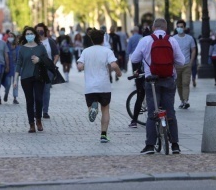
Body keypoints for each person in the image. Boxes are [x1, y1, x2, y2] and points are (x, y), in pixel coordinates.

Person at [131, 18, 185, 154]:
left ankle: (149, 146)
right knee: (170, 111)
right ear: (166, 28)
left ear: (153, 27)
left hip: (151, 81)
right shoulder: (172, 40)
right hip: (168, 80)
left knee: (152, 113)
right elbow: (181, 61)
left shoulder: (145, 40)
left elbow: (134, 59)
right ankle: (175, 145)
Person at [77, 29, 122, 143]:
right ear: (103, 39)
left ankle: (93, 109)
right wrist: (119, 73)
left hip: (90, 87)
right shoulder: (107, 51)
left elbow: (80, 66)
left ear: (91, 40)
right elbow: (114, 64)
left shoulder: (85, 51)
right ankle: (103, 135)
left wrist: (82, 65)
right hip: (104, 86)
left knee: (92, 107)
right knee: (105, 110)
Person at [14, 27, 48, 133]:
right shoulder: (22, 49)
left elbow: (47, 61)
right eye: (27, 34)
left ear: (35, 35)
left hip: (39, 76)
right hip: (26, 77)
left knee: (38, 99)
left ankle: (38, 119)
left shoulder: (41, 47)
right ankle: (31, 124)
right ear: (24, 36)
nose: (29, 35)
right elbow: (18, 63)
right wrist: (15, 79)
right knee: (29, 101)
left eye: (31, 33)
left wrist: (39, 60)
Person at [35, 23, 59, 118]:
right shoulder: (34, 42)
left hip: (48, 69)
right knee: (36, 90)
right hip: (36, 69)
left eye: (41, 30)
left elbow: (56, 54)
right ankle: (36, 109)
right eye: (37, 31)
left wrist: (53, 64)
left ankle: (45, 111)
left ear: (44, 31)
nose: (39, 32)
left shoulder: (50, 41)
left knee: (46, 90)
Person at [173, 20, 196, 109]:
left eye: (181, 27)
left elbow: (193, 49)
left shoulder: (190, 38)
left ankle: (185, 100)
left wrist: (191, 62)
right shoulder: (173, 38)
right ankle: (182, 101)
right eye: (178, 26)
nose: (180, 28)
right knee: (179, 84)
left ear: (185, 28)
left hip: (187, 64)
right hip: (177, 65)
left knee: (185, 83)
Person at [1, 32, 20, 104]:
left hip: (16, 66)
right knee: (8, 83)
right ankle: (6, 93)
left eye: (12, 36)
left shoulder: (18, 47)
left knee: (15, 83)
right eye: (9, 36)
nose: (10, 37)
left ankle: (15, 98)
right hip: (8, 66)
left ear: (14, 37)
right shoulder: (6, 46)